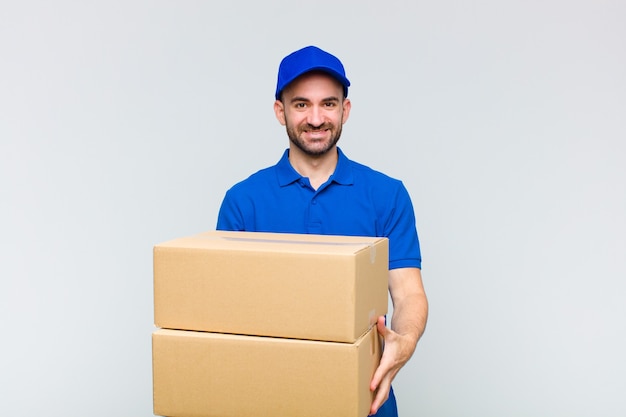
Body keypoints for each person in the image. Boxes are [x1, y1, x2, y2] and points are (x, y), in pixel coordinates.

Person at [216, 45, 428, 417]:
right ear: (280, 111)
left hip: (365, 402)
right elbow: (226, 317)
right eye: (301, 105)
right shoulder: (243, 201)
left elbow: (409, 293)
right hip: (268, 403)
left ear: (345, 110)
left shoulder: (386, 195)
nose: (316, 118)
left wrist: (405, 340)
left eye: (328, 104)